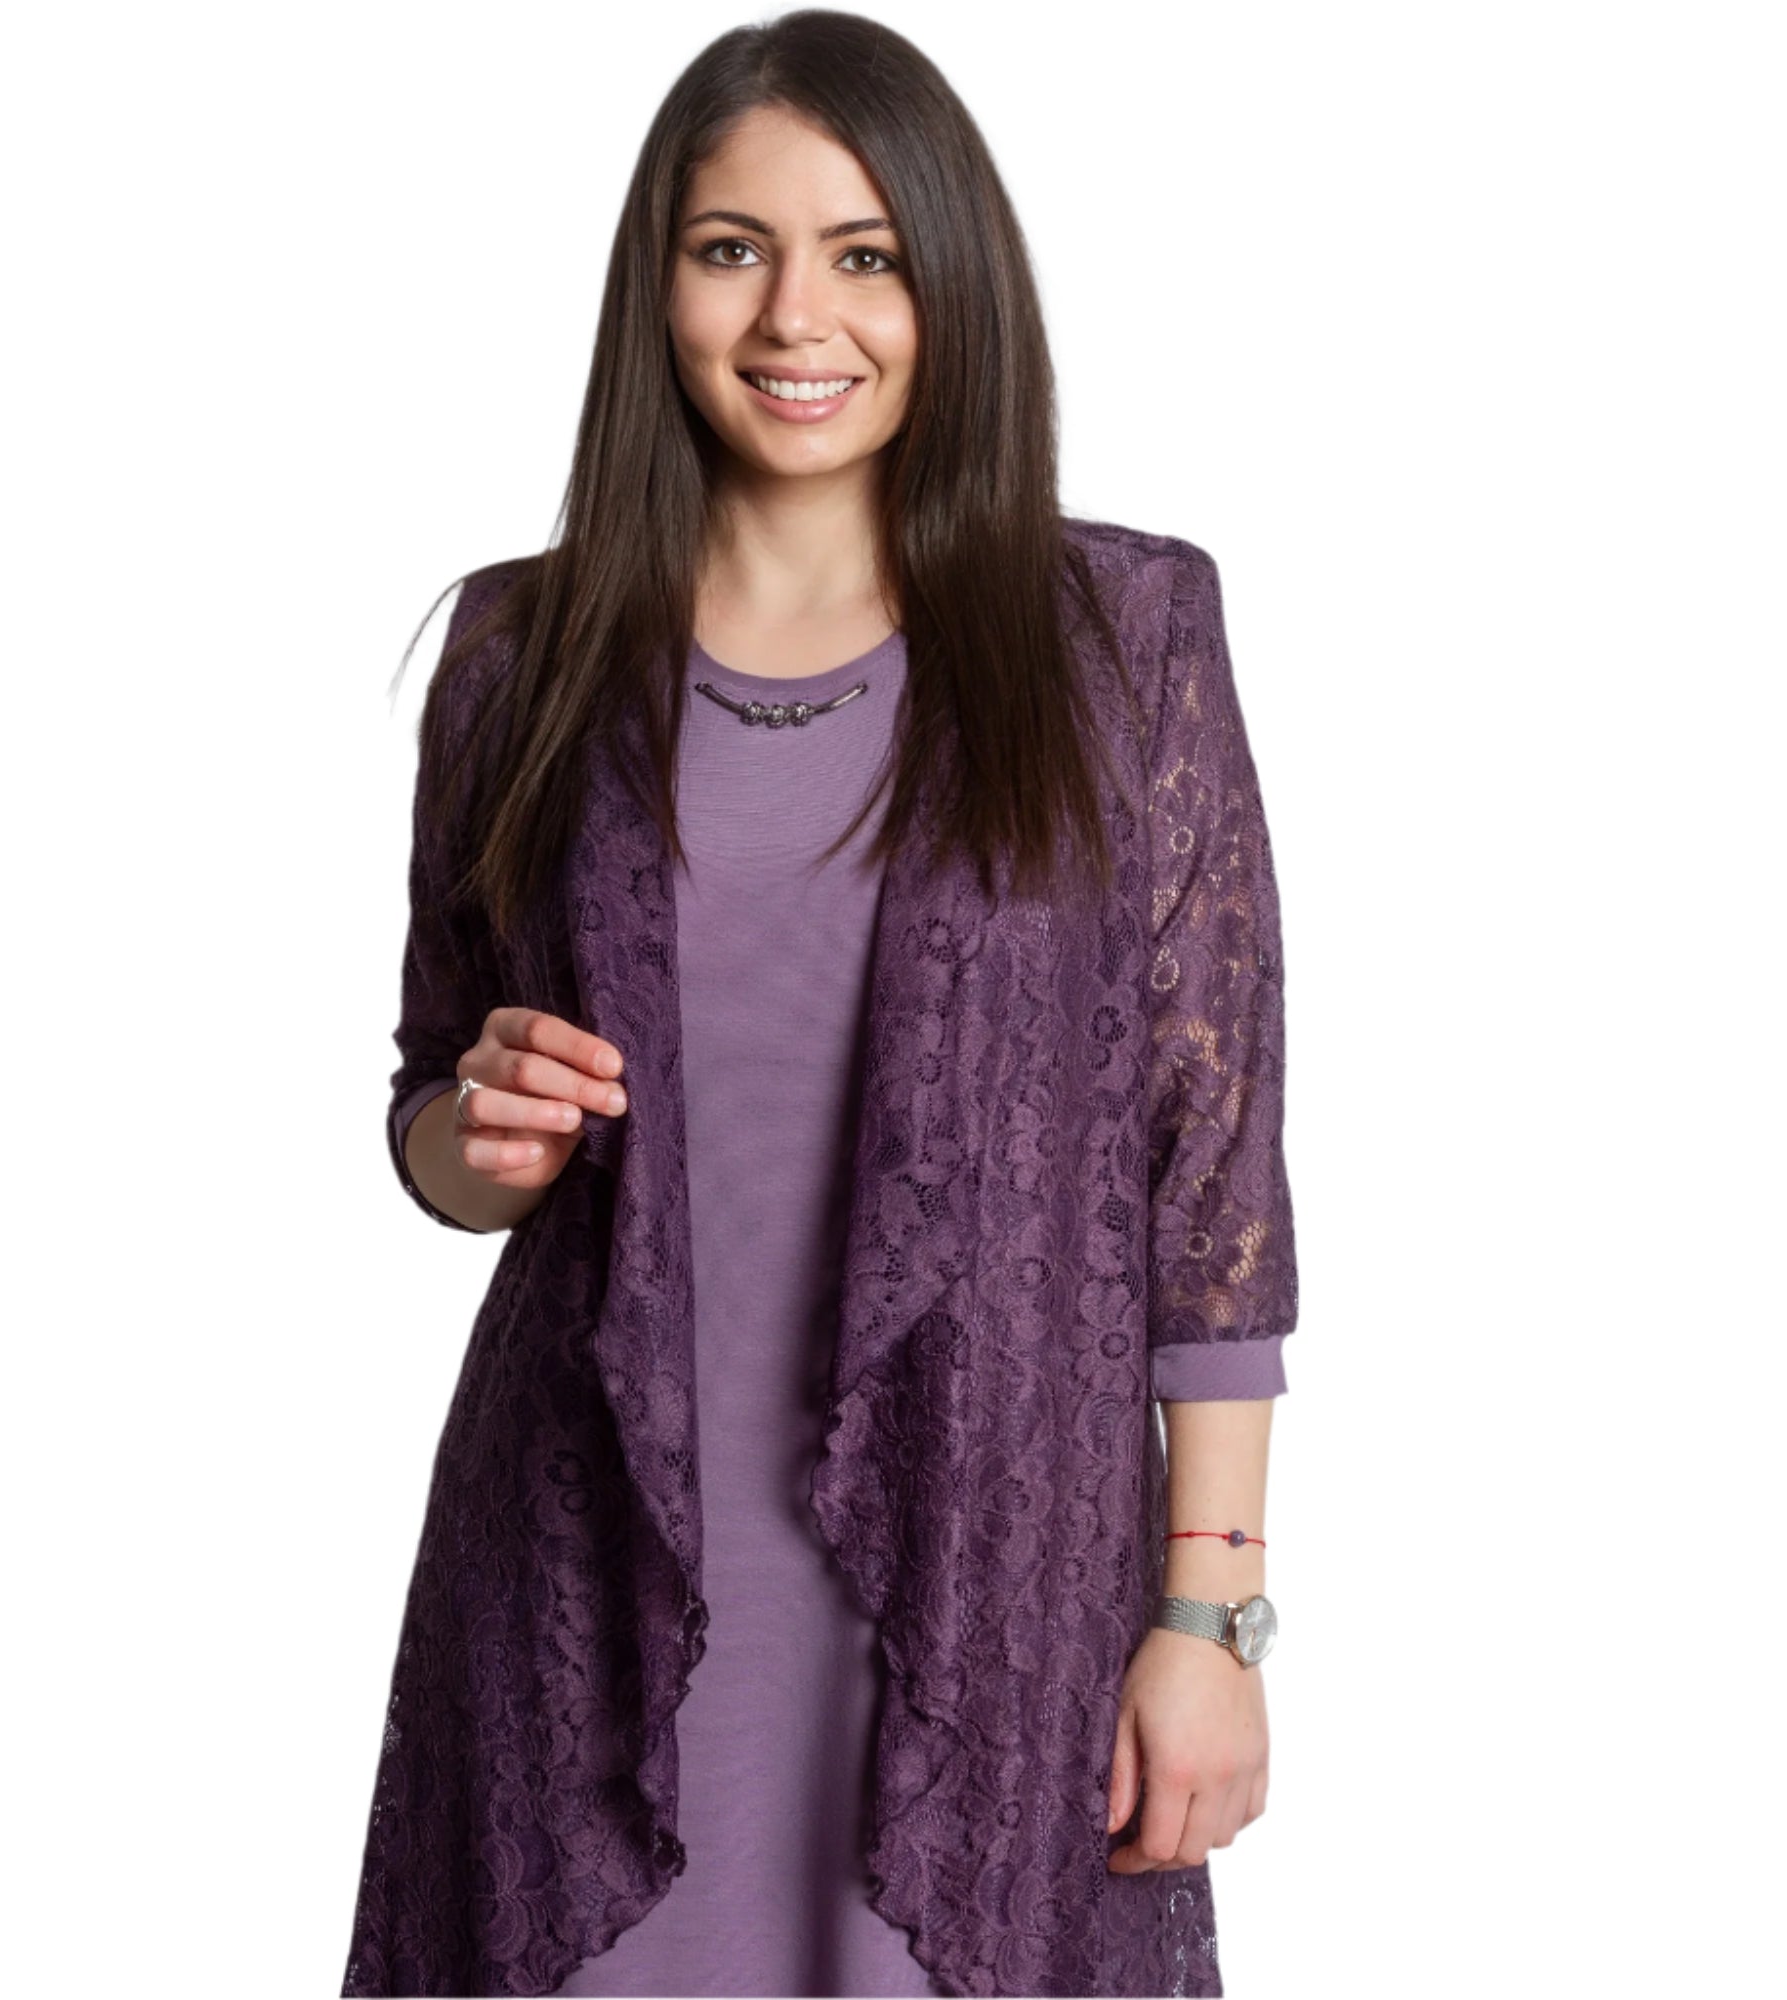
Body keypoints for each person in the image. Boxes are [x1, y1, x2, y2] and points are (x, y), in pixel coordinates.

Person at [341, 12, 1298, 1997]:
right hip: (590, 1581)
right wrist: (475, 1134)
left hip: (1000, 1587)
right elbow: (438, 1107)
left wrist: (1208, 1620)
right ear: (659, 284)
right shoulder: (520, 654)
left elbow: (1208, 1168)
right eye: (732, 249)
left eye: (867, 254)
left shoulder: (1121, 639)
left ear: (953, 285)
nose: (799, 315)